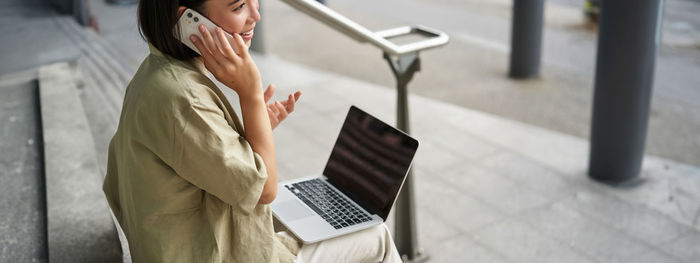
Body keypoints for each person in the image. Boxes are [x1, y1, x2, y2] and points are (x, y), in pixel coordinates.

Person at [102, 0, 403, 262]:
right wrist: (251, 95)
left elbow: (196, 160)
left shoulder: (155, 72)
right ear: (188, 20)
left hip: (175, 246)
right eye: (238, 6)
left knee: (311, 221)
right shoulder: (185, 98)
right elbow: (264, 190)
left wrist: (251, 131)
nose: (255, 15)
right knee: (375, 234)